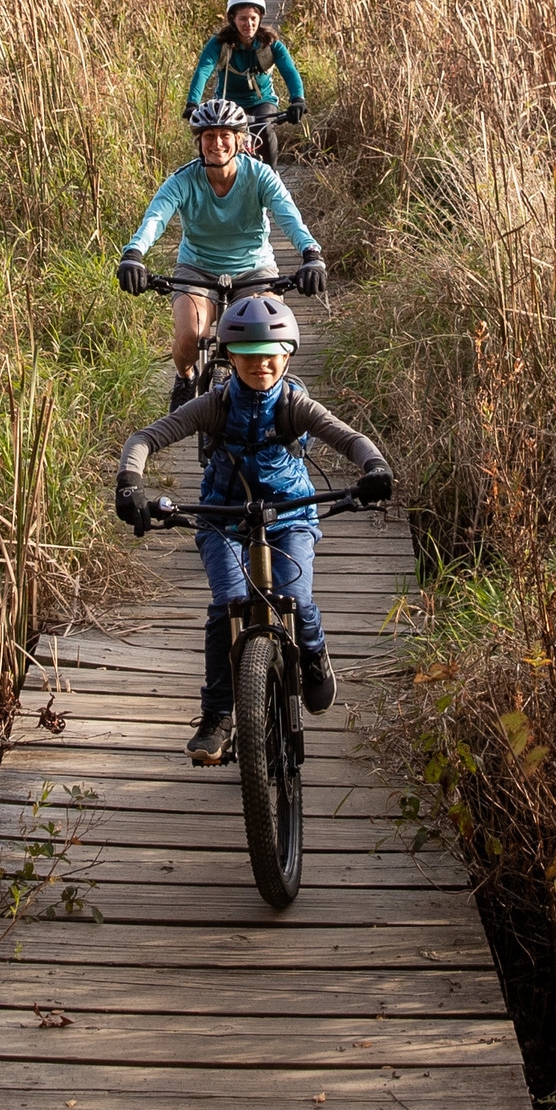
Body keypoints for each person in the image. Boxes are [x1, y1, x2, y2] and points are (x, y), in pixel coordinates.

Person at [113, 293, 393, 764]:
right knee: (226, 604)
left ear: (287, 356)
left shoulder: (295, 405)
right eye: (247, 356)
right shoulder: (214, 405)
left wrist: (374, 467)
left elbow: (348, 437)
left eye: (270, 355)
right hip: (224, 515)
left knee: (297, 597)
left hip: (290, 515)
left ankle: (313, 650)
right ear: (230, 357)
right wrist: (129, 485)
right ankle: (218, 715)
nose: (260, 364)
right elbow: (146, 437)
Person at [118, 100, 327, 401]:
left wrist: (311, 255)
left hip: (254, 270)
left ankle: (277, 409)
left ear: (239, 140)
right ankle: (184, 378)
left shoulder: (260, 176)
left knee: (268, 338)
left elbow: (289, 216)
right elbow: (155, 219)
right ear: (199, 142)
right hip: (197, 268)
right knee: (191, 336)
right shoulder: (182, 180)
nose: (217, 143)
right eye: (209, 136)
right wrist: (133, 255)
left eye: (225, 135)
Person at [183, 0, 308, 142]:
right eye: (242, 18)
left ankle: (270, 167)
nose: (248, 24)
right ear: (232, 19)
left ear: (260, 18)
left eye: (253, 18)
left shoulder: (271, 44)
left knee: (265, 131)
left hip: (262, 101)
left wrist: (298, 100)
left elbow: (290, 72)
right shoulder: (219, 43)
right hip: (227, 103)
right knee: (225, 140)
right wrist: (192, 103)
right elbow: (203, 71)